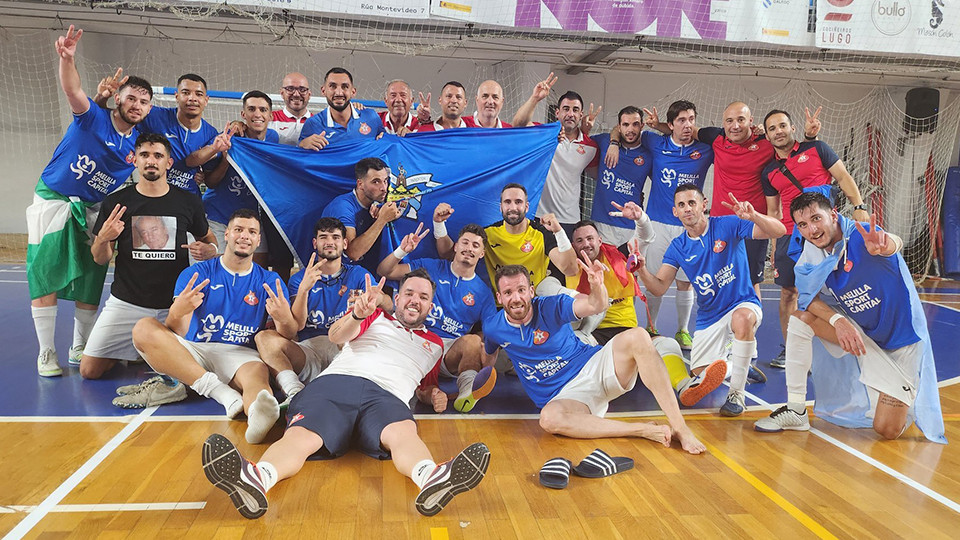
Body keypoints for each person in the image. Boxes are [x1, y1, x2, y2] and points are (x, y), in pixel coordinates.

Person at [201, 269, 491, 519]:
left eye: (423, 297)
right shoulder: (374, 315)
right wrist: (357, 313)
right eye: (409, 293)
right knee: (302, 436)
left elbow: (423, 387)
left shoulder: (436, 344)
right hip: (338, 383)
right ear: (398, 298)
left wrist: (433, 395)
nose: (415, 300)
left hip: (388, 396)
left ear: (430, 306)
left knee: (403, 433)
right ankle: (258, 478)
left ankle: (431, 477)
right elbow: (337, 336)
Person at [754, 192, 942, 440]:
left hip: (902, 343)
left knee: (887, 430)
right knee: (800, 318)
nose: (812, 229)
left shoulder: (863, 235)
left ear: (833, 215)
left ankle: (898, 395)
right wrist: (838, 321)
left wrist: (888, 245)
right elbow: (807, 299)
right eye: (803, 225)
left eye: (816, 219)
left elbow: (891, 243)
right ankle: (796, 409)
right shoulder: (811, 253)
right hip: (862, 337)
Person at [27, 25, 153, 377]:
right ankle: (46, 351)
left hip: (94, 209)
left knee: (92, 277)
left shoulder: (136, 145)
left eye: (144, 101)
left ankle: (79, 345)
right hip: (55, 198)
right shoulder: (92, 117)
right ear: (118, 99)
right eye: (131, 98)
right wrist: (67, 59)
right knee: (46, 274)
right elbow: (72, 89)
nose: (137, 105)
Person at [483, 263, 706, 454]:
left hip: (595, 367)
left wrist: (598, 286)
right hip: (566, 398)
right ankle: (642, 430)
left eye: (521, 290)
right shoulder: (494, 327)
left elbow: (594, 305)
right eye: (509, 292)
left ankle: (680, 428)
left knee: (638, 336)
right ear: (499, 297)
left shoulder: (552, 306)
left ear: (531, 291)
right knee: (549, 419)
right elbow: (488, 359)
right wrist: (480, 381)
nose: (516, 298)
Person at [132, 209, 297, 444]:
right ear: (227, 235)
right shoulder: (196, 273)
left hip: (240, 353)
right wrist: (179, 310)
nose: (244, 236)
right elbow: (176, 330)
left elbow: (289, 334)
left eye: (252, 232)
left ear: (258, 240)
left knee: (257, 383)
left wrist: (283, 318)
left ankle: (258, 422)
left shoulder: (270, 280)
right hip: (194, 348)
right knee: (144, 328)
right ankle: (224, 395)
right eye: (239, 230)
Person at [632, 186, 786, 416]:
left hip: (743, 303)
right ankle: (739, 367)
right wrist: (642, 270)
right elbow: (660, 287)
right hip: (709, 316)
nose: (687, 209)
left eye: (692, 203)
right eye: (681, 205)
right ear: (675, 212)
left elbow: (779, 231)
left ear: (704, 204)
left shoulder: (727, 224)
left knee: (742, 319)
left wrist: (754, 216)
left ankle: (737, 395)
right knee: (701, 374)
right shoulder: (678, 247)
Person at [689, 102, 821, 368]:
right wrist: (655, 126)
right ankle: (727, 338)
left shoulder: (765, 143)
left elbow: (792, 152)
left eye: (741, 120)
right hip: (719, 224)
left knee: (750, 281)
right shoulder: (716, 137)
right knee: (721, 281)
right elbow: (687, 130)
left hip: (753, 224)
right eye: (729, 120)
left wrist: (810, 138)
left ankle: (749, 341)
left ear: (751, 123)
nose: (734, 125)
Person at [81, 133, 217, 385]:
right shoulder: (116, 202)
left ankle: (149, 346)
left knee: (198, 365)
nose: (151, 161)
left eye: (158, 156)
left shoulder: (188, 201)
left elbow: (210, 240)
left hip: (174, 305)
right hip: (127, 301)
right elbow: (100, 259)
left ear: (169, 162)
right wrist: (103, 238)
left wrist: (211, 250)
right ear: (134, 160)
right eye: (144, 155)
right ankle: (142, 346)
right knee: (89, 370)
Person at [761, 109, 870, 373]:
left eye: (782, 125)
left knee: (840, 287)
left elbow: (843, 177)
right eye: (772, 128)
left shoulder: (818, 149)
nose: (778, 131)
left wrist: (859, 205)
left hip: (825, 231)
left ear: (792, 128)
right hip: (790, 235)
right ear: (767, 135)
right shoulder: (769, 172)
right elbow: (773, 212)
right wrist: (776, 246)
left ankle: (858, 341)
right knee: (789, 292)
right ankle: (792, 349)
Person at [255, 217, 391, 404]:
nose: (329, 242)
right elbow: (297, 326)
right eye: (323, 237)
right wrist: (304, 289)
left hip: (344, 348)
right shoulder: (299, 279)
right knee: (264, 337)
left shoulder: (358, 274)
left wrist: (379, 297)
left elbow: (390, 307)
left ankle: (355, 392)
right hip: (308, 349)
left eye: (335, 237)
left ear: (344, 243)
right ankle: (294, 392)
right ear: (315, 243)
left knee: (369, 337)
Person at [617, 100, 713, 347]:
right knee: (653, 279)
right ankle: (651, 327)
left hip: (688, 226)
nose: (688, 125)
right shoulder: (655, 142)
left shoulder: (705, 149)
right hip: (657, 223)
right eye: (681, 120)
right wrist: (615, 143)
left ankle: (682, 330)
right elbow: (623, 129)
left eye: (691, 119)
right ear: (670, 125)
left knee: (685, 281)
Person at [378, 220, 498, 412]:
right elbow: (385, 271)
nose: (469, 248)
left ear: (482, 254)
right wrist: (402, 250)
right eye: (465, 242)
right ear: (456, 246)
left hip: (448, 352)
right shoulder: (429, 267)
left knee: (473, 341)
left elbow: (491, 331)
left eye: (476, 245)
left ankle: (467, 391)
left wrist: (483, 348)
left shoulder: (483, 293)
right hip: (415, 338)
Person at [438, 183, 579, 293]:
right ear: (500, 207)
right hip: (501, 305)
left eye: (518, 202)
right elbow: (449, 254)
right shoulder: (489, 234)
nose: (513, 207)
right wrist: (438, 224)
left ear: (527, 206)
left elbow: (570, 269)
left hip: (535, 304)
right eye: (507, 202)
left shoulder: (541, 233)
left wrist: (559, 231)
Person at [95, 72, 219, 196]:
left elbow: (210, 180)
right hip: (153, 195)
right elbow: (113, 117)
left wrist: (201, 175)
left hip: (188, 199)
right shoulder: (155, 115)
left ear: (206, 100)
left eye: (198, 94)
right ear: (176, 96)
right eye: (186, 93)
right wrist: (102, 97)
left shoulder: (211, 134)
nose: (192, 98)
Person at [201, 91, 280, 267]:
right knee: (219, 272)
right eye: (251, 109)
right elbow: (210, 183)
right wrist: (227, 159)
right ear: (243, 115)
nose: (257, 114)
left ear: (270, 115)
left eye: (263, 109)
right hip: (218, 217)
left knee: (257, 269)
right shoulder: (229, 136)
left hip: (250, 220)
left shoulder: (273, 139)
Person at [513, 82, 601, 234]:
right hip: (539, 216)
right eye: (566, 109)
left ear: (581, 115)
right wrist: (535, 98)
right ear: (557, 113)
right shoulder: (544, 135)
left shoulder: (591, 147)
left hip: (570, 220)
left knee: (565, 258)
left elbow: (597, 176)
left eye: (575, 110)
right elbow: (518, 124)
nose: (570, 114)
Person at [320, 157, 404, 276]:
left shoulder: (374, 203)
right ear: (360, 184)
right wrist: (383, 219)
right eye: (376, 182)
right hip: (334, 279)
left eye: (385, 181)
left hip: (361, 274)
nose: (384, 188)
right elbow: (353, 253)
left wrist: (379, 207)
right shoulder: (343, 207)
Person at [592, 106, 653, 250]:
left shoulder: (649, 155)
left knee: (629, 272)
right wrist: (613, 143)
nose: (630, 129)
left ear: (642, 126)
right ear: (619, 127)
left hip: (631, 226)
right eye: (625, 124)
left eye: (635, 124)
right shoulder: (604, 142)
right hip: (601, 223)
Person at [299, 68, 384, 150]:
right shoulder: (312, 124)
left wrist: (387, 138)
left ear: (353, 92)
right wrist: (302, 144)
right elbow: (298, 157)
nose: (339, 92)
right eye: (332, 86)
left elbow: (387, 145)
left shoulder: (371, 117)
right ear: (323, 91)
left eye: (345, 86)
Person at [269, 72, 313, 146]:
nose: (296, 94)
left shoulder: (318, 122)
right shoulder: (269, 118)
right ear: (282, 93)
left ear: (309, 94)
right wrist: (243, 126)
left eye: (302, 89)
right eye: (290, 89)